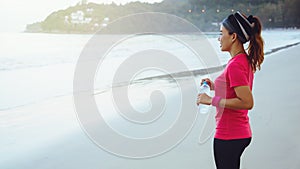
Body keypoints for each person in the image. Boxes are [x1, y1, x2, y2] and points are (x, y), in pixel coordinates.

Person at [196, 11, 264, 169]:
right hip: (238, 132)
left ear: (233, 36)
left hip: (229, 135)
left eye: (221, 34)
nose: (219, 39)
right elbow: (237, 88)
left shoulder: (235, 65)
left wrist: (210, 100)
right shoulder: (242, 60)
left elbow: (246, 101)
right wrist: (216, 86)